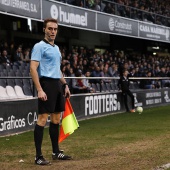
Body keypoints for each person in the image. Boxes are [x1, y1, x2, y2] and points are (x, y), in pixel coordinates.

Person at [30, 18, 72, 166]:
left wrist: (65, 85)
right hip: (46, 84)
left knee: (56, 120)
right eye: (50, 29)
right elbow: (33, 69)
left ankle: (56, 152)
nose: (53, 31)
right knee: (42, 119)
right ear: (44, 30)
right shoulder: (39, 46)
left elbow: (57, 70)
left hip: (57, 86)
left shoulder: (56, 48)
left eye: (55, 29)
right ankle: (38, 156)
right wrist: (40, 89)